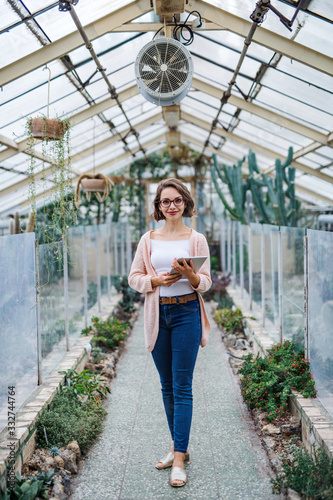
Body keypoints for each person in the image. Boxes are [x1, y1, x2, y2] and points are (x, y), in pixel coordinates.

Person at [128, 178, 211, 488]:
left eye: (177, 200)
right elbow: (134, 277)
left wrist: (190, 275)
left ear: (185, 203)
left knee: (182, 385)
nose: (172, 205)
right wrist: (155, 282)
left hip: (187, 312)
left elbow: (205, 283)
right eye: (166, 201)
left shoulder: (196, 239)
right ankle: (181, 448)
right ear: (158, 207)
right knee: (166, 385)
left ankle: (178, 458)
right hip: (158, 313)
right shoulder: (148, 239)